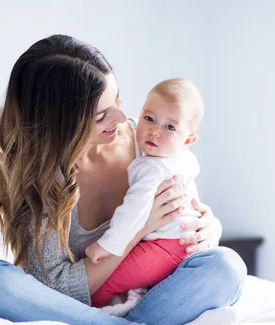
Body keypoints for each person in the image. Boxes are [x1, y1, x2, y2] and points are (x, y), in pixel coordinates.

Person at [0, 34, 246, 325]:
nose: (122, 118)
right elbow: (55, 288)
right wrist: (139, 229)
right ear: (62, 124)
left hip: (150, 294)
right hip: (73, 303)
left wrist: (207, 228)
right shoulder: (42, 179)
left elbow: (182, 213)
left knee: (227, 267)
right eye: (101, 116)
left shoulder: (147, 140)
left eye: (118, 100)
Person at [86, 78, 206, 310]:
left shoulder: (151, 168)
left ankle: (104, 319)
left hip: (168, 244)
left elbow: (133, 213)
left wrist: (106, 246)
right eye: (149, 119)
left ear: (188, 139)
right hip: (181, 242)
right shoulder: (183, 159)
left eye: (169, 127)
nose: (154, 132)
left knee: (102, 289)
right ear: (139, 114)